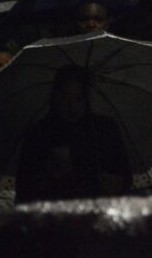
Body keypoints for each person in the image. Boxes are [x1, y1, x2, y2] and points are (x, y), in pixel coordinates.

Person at [14, 65, 131, 202]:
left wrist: (117, 183)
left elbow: (125, 173)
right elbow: (24, 189)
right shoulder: (39, 133)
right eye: (65, 98)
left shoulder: (104, 129)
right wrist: (48, 175)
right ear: (55, 97)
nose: (72, 106)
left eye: (78, 98)